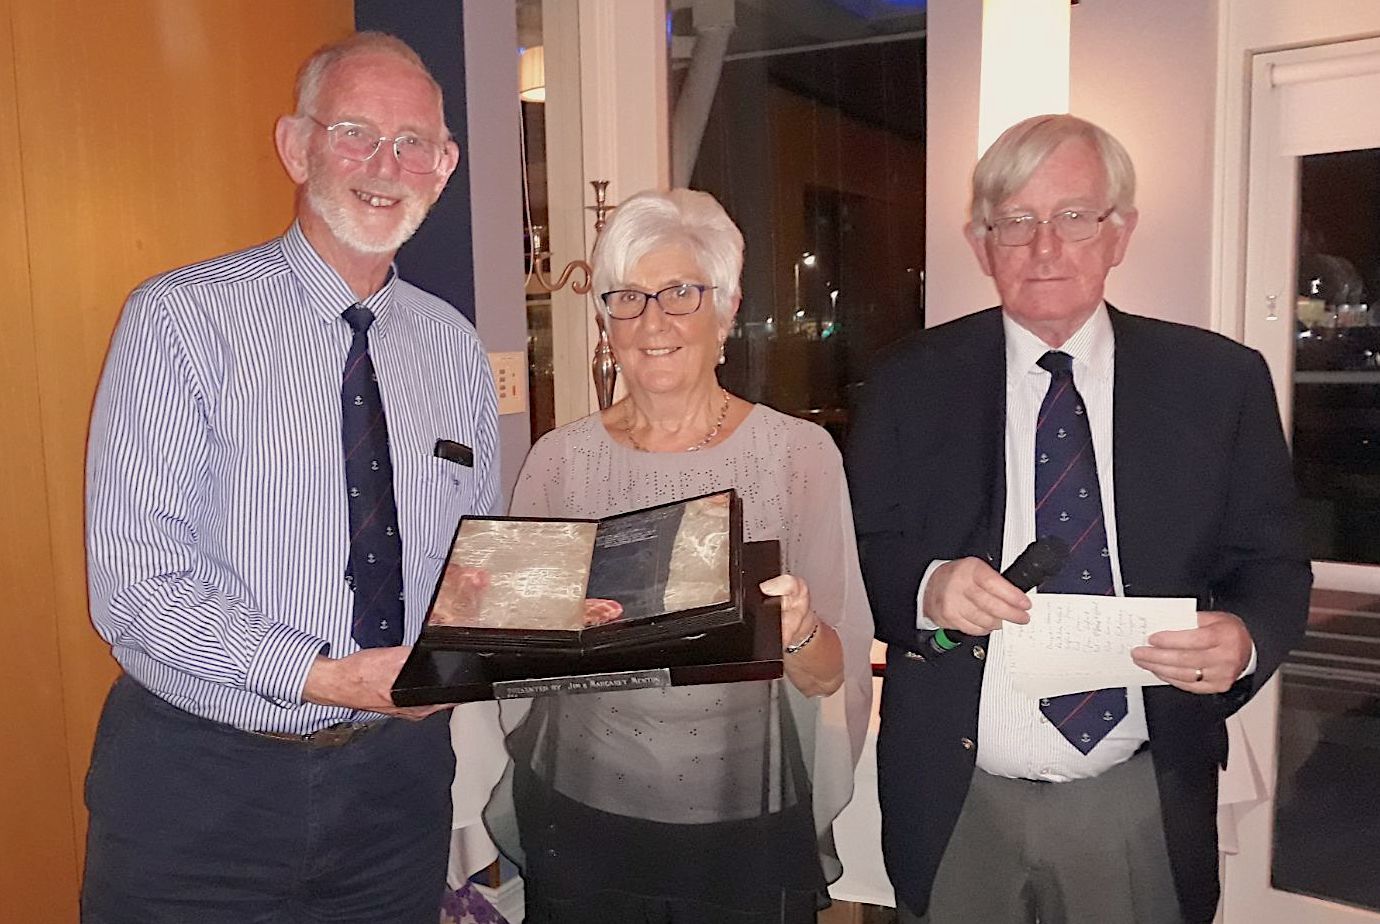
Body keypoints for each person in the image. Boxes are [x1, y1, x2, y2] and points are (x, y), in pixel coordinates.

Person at [847, 114, 1312, 924]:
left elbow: (1273, 566)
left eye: (1072, 217)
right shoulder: (906, 383)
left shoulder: (1218, 382)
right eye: (1016, 222)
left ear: (1119, 231)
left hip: (1137, 793)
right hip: (960, 801)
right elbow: (861, 555)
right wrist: (927, 587)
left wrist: (1243, 640)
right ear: (981, 241)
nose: (1044, 248)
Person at [82, 32, 499, 923]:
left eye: (413, 142)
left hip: (397, 787)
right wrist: (322, 675)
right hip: (201, 788)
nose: (385, 164)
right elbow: (135, 586)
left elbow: (473, 564)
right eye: (353, 131)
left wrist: (540, 624)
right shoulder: (180, 322)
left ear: (445, 164)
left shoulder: (454, 349)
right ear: (295, 144)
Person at [483, 189, 874, 924]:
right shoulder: (558, 463)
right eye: (627, 298)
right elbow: (512, 664)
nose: (652, 321)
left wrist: (795, 629)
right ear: (605, 321)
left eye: (681, 294)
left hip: (741, 823)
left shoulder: (797, 457)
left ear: (725, 311)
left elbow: (831, 673)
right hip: (582, 810)